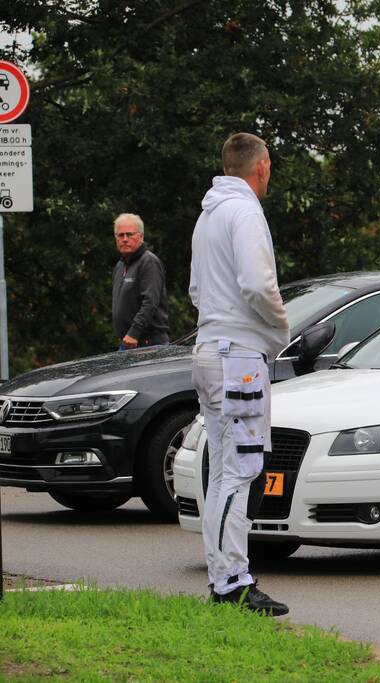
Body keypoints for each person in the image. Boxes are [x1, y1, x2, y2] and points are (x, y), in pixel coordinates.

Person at [189, 133, 290, 616]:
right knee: (241, 471)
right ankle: (233, 581)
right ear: (262, 166)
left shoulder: (207, 217)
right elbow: (257, 283)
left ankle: (221, 577)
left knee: (221, 475)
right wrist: (280, 324)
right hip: (239, 360)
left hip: (210, 350)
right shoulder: (246, 211)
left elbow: (194, 289)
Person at [111, 213, 169, 350]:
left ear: (141, 237)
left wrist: (134, 332)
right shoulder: (120, 266)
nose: (124, 239)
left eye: (129, 234)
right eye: (120, 235)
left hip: (148, 343)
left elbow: (150, 302)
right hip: (127, 343)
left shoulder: (148, 262)